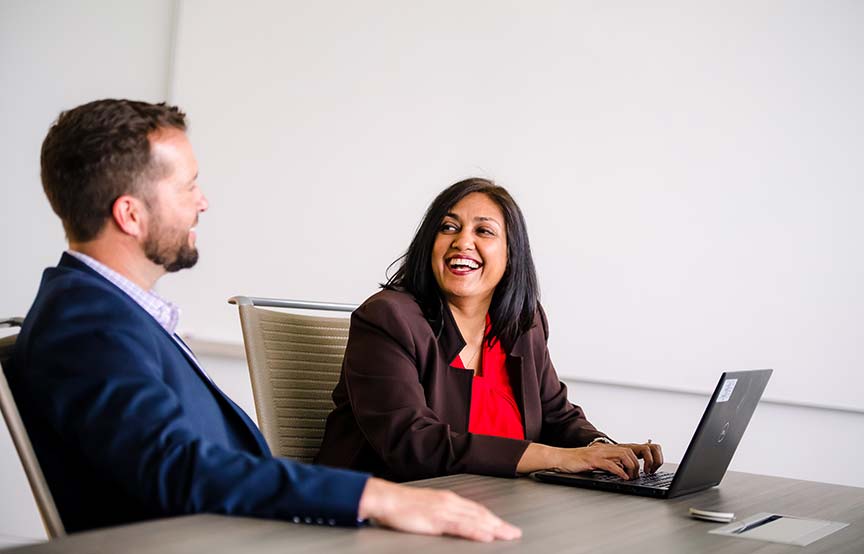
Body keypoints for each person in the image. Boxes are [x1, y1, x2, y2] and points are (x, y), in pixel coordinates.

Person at [4, 100, 520, 543]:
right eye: (188, 187)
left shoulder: (108, 310)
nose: (202, 201)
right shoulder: (86, 325)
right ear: (130, 215)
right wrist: (375, 496)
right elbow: (180, 469)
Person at [316, 178, 663, 482]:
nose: (462, 242)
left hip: (495, 508)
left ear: (511, 254)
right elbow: (413, 445)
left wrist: (603, 450)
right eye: (448, 227)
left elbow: (556, 415)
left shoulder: (523, 324)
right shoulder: (387, 318)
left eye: (483, 231)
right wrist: (557, 458)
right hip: (380, 512)